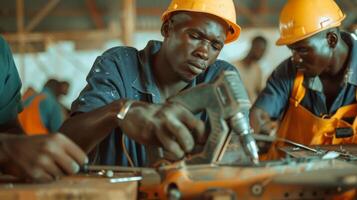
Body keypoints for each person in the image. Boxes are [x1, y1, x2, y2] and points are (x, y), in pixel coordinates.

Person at [60, 0, 249, 167]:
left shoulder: (220, 79)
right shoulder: (121, 65)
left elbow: (239, 155)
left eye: (215, 46)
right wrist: (120, 111)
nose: (204, 53)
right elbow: (65, 142)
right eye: (195, 36)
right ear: (167, 29)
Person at [249, 0, 357, 159]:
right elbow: (259, 114)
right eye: (292, 50)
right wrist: (257, 131)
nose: (295, 59)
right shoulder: (288, 72)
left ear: (331, 40)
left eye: (302, 50)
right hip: (285, 179)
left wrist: (312, 153)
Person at [0, 36, 87, 182]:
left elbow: (8, 127)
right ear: (58, 88)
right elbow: (60, 133)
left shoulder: (1, 52)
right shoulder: (50, 103)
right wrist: (5, 149)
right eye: (64, 90)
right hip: (34, 148)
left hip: (26, 154)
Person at [235, 36, 267, 103]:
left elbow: (259, 91)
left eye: (263, 51)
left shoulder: (258, 69)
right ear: (252, 46)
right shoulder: (234, 66)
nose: (262, 54)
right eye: (260, 50)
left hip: (250, 108)